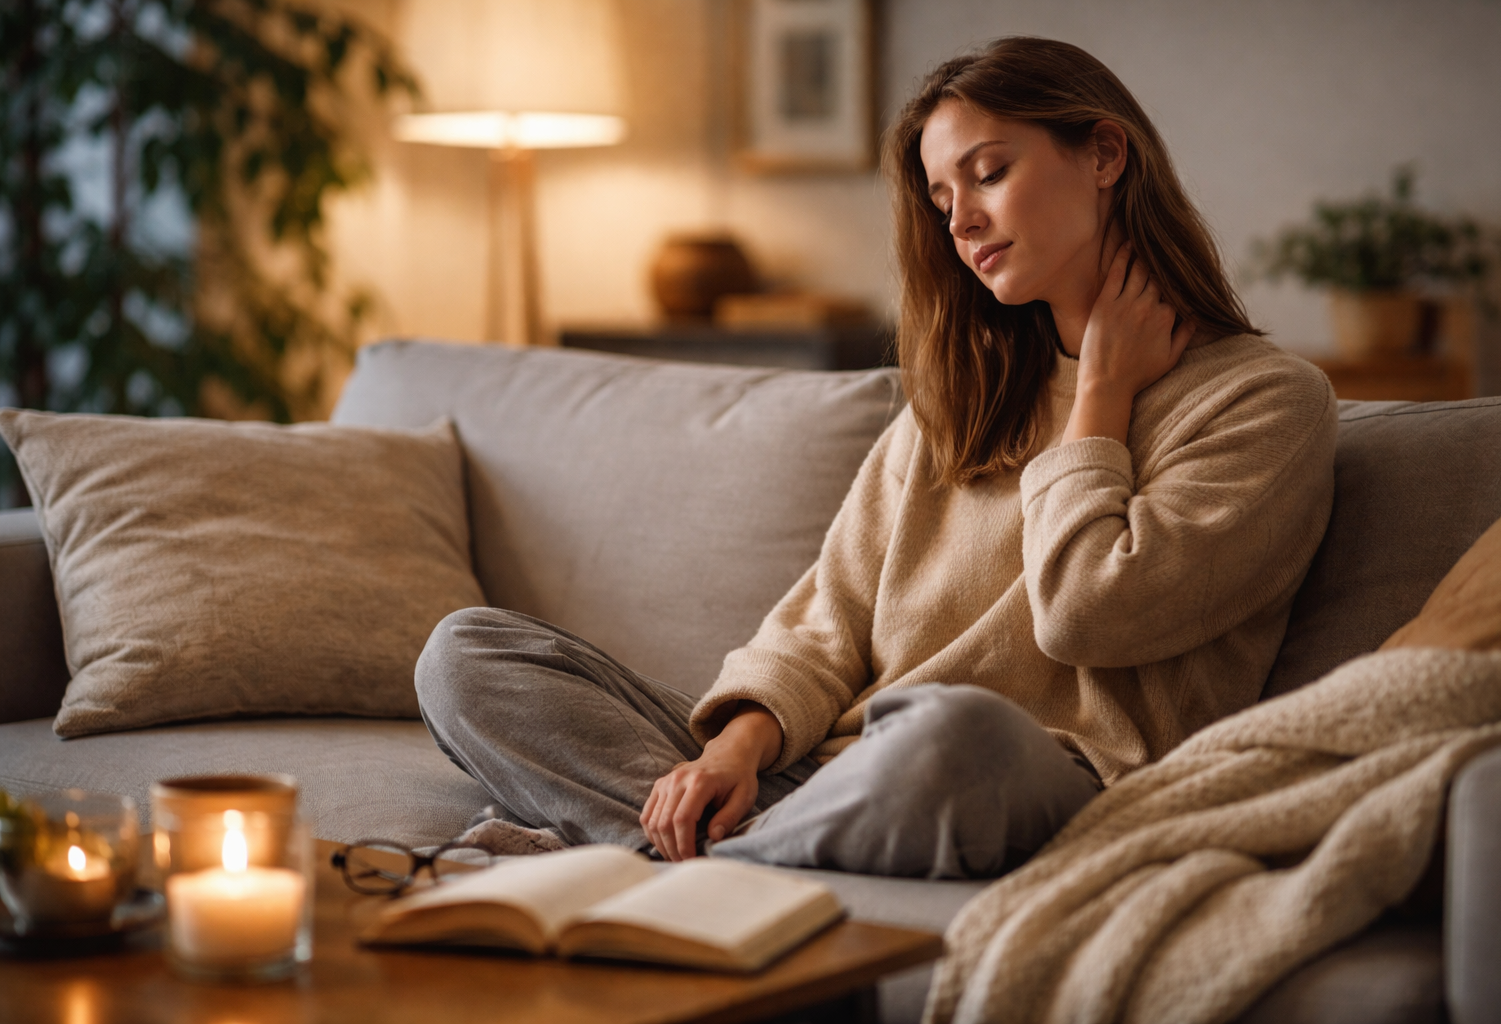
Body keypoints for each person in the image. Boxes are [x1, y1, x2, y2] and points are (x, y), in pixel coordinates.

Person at [415, 37, 1337, 880]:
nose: (963, 222)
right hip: (829, 780)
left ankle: (683, 865)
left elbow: (1085, 612)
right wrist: (734, 749)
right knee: (465, 653)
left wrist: (1098, 398)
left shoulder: (1266, 403)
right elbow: (828, 621)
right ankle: (726, 850)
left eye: (989, 174)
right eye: (943, 202)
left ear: (1103, 155)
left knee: (953, 735)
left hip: (1028, 783)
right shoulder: (960, 404)